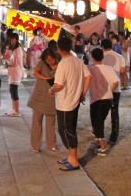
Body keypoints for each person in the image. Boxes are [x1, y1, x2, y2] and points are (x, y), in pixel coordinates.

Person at [49, 36, 91, 171]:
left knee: (66, 130)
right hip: (75, 101)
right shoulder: (77, 61)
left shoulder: (63, 63)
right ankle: (71, 156)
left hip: (65, 102)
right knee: (69, 128)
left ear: (58, 49)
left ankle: (73, 159)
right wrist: (82, 93)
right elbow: (88, 76)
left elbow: (59, 85)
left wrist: (51, 89)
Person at [27, 48, 60, 152]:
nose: (50, 61)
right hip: (39, 96)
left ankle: (52, 144)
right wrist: (45, 78)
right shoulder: (41, 63)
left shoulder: (60, 64)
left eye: (51, 59)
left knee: (51, 122)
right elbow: (35, 72)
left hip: (52, 97)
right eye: (47, 59)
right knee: (36, 121)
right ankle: (35, 145)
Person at [88, 48, 119, 156]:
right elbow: (116, 82)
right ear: (102, 57)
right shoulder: (109, 69)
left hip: (96, 100)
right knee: (98, 121)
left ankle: (102, 147)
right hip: (107, 99)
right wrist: (110, 91)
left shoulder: (90, 70)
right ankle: (98, 140)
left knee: (98, 123)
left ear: (92, 57)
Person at [100, 38, 125, 145]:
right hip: (116, 88)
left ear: (102, 46)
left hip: (103, 89)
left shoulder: (100, 57)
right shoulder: (120, 57)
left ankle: (98, 133)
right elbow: (123, 71)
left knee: (100, 112)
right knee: (114, 113)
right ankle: (113, 137)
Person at [4, 32, 24, 117]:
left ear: (14, 39)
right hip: (14, 72)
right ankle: (14, 109)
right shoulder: (17, 49)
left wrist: (6, 59)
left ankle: (16, 110)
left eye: (11, 39)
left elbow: (13, 64)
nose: (10, 41)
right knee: (12, 91)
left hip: (15, 72)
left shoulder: (16, 50)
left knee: (14, 91)